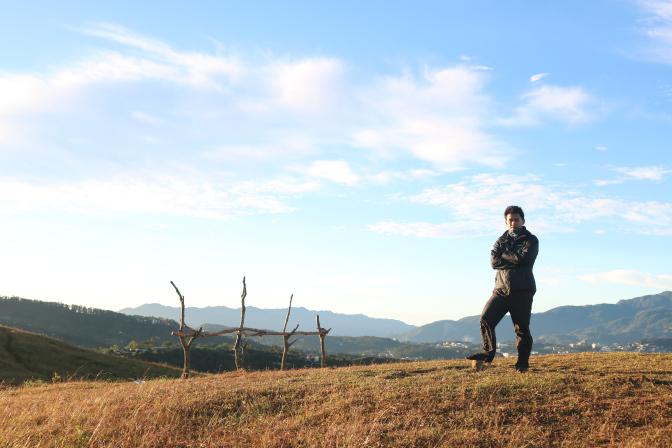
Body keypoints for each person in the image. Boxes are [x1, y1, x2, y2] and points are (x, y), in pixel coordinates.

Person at [466, 205, 539, 373]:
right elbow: (494, 263)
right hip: (500, 290)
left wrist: (505, 255)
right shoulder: (500, 240)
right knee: (486, 319)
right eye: (510, 220)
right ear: (506, 222)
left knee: (521, 329)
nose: (513, 223)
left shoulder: (531, 240)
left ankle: (522, 364)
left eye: (516, 220)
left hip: (522, 290)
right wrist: (515, 258)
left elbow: (525, 259)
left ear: (523, 221)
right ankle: (488, 353)